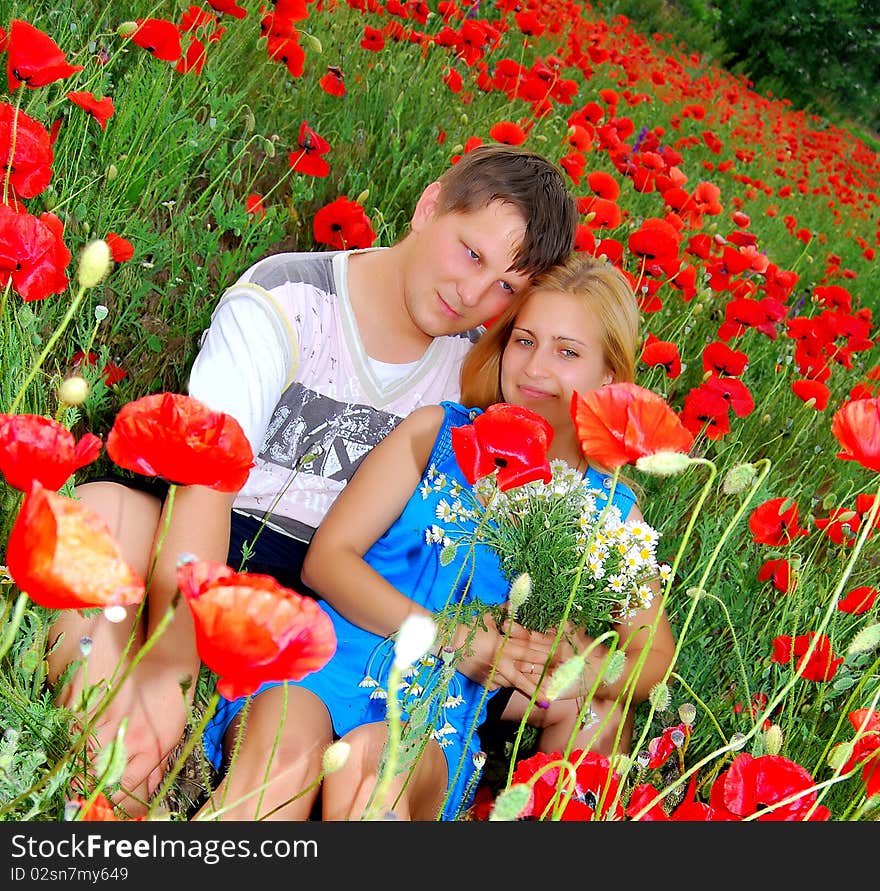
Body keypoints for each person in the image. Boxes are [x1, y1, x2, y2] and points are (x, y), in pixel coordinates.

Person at [45, 144, 578, 816]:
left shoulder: (478, 372)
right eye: (471, 254)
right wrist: (170, 672)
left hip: (334, 614)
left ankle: (171, 769)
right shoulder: (288, 297)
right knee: (92, 515)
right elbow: (208, 477)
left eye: (506, 287)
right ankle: (110, 771)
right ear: (429, 207)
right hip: (214, 537)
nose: (473, 295)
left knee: (290, 744)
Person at [196, 255, 676, 821]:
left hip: (437, 707)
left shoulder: (607, 507)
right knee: (280, 759)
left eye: (567, 352)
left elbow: (652, 657)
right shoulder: (439, 434)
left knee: (375, 775)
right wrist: (454, 638)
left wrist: (569, 663)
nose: (535, 368)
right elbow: (327, 562)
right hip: (334, 656)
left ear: (609, 379)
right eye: (524, 341)